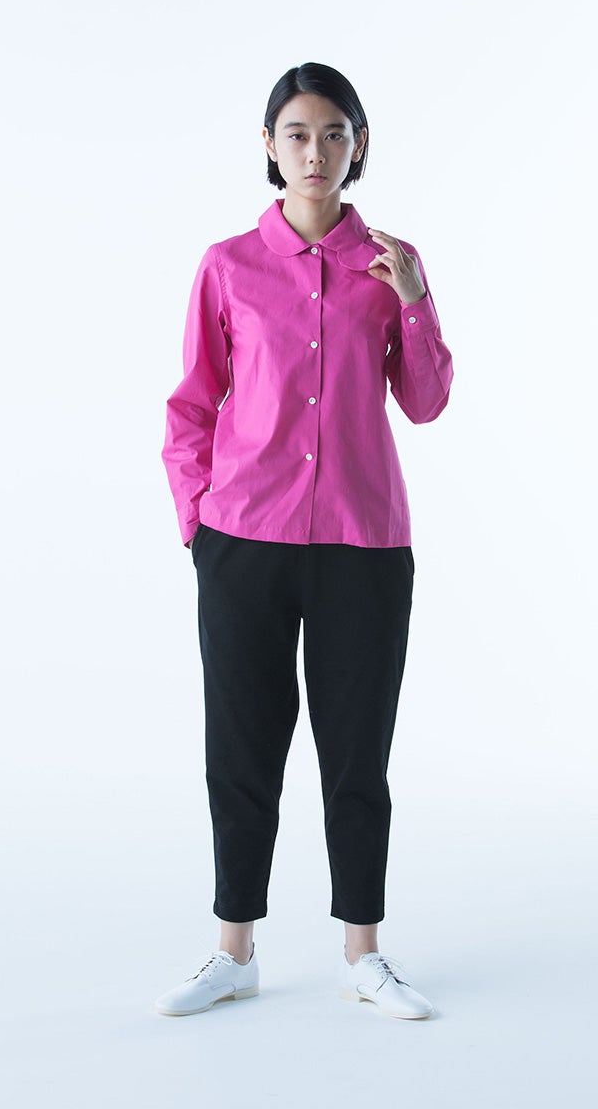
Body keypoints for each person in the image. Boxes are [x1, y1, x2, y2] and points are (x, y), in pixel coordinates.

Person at [155, 62, 453, 1020]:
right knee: (242, 749)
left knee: (357, 755)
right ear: (269, 145)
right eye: (297, 133)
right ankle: (233, 951)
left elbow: (425, 402)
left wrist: (415, 300)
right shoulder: (228, 265)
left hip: (364, 545)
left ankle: (364, 953)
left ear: (358, 145)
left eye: (333, 133)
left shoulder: (392, 263)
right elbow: (192, 404)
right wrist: (197, 525)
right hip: (243, 540)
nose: (315, 151)